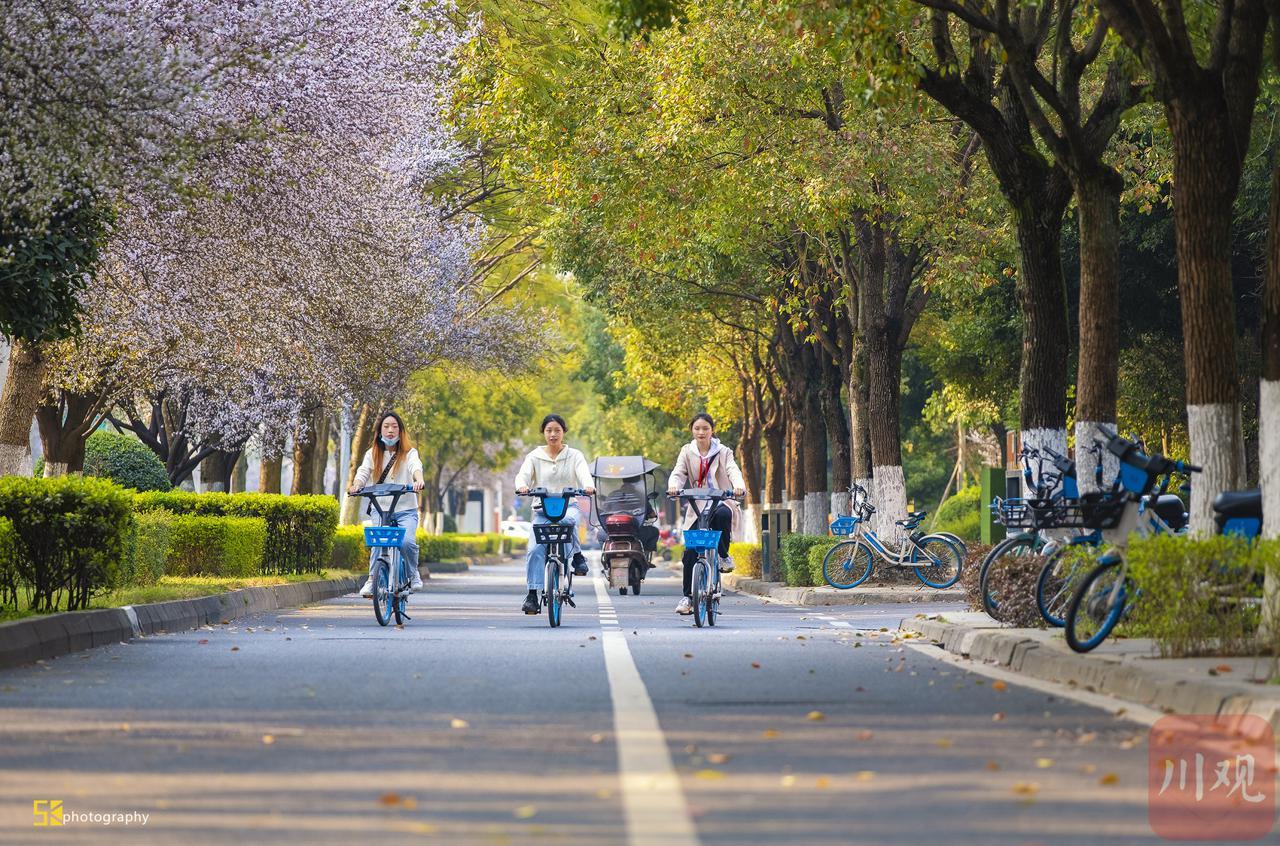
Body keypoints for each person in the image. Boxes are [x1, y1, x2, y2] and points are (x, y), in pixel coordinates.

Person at [514, 414, 594, 614]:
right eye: (549, 430)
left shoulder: (574, 455)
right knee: (534, 550)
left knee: (569, 521)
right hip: (542, 509)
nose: (553, 434)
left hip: (569, 506)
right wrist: (522, 486)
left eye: (557, 430)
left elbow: (583, 473)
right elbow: (522, 475)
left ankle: (576, 556)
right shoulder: (534, 456)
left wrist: (588, 486)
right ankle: (532, 594)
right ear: (543, 432)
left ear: (563, 432)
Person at [667, 412, 745, 615]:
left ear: (712, 430)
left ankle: (723, 555)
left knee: (722, 515)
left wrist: (738, 486)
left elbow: (732, 469)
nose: (701, 432)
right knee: (690, 550)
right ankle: (688, 598)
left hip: (721, 498)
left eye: (705, 428)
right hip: (697, 504)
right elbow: (678, 472)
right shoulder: (686, 451)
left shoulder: (723, 451)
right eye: (697, 428)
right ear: (692, 430)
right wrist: (674, 486)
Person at [348, 412, 425, 597]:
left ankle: (413, 573)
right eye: (386, 426)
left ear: (401, 430)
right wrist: (357, 485)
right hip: (381, 509)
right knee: (378, 543)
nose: (390, 430)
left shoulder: (409, 453)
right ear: (380, 430)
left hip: (406, 510)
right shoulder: (372, 454)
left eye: (394, 426)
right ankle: (372, 579)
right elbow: (363, 472)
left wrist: (419, 481)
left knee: (406, 542)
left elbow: (416, 467)